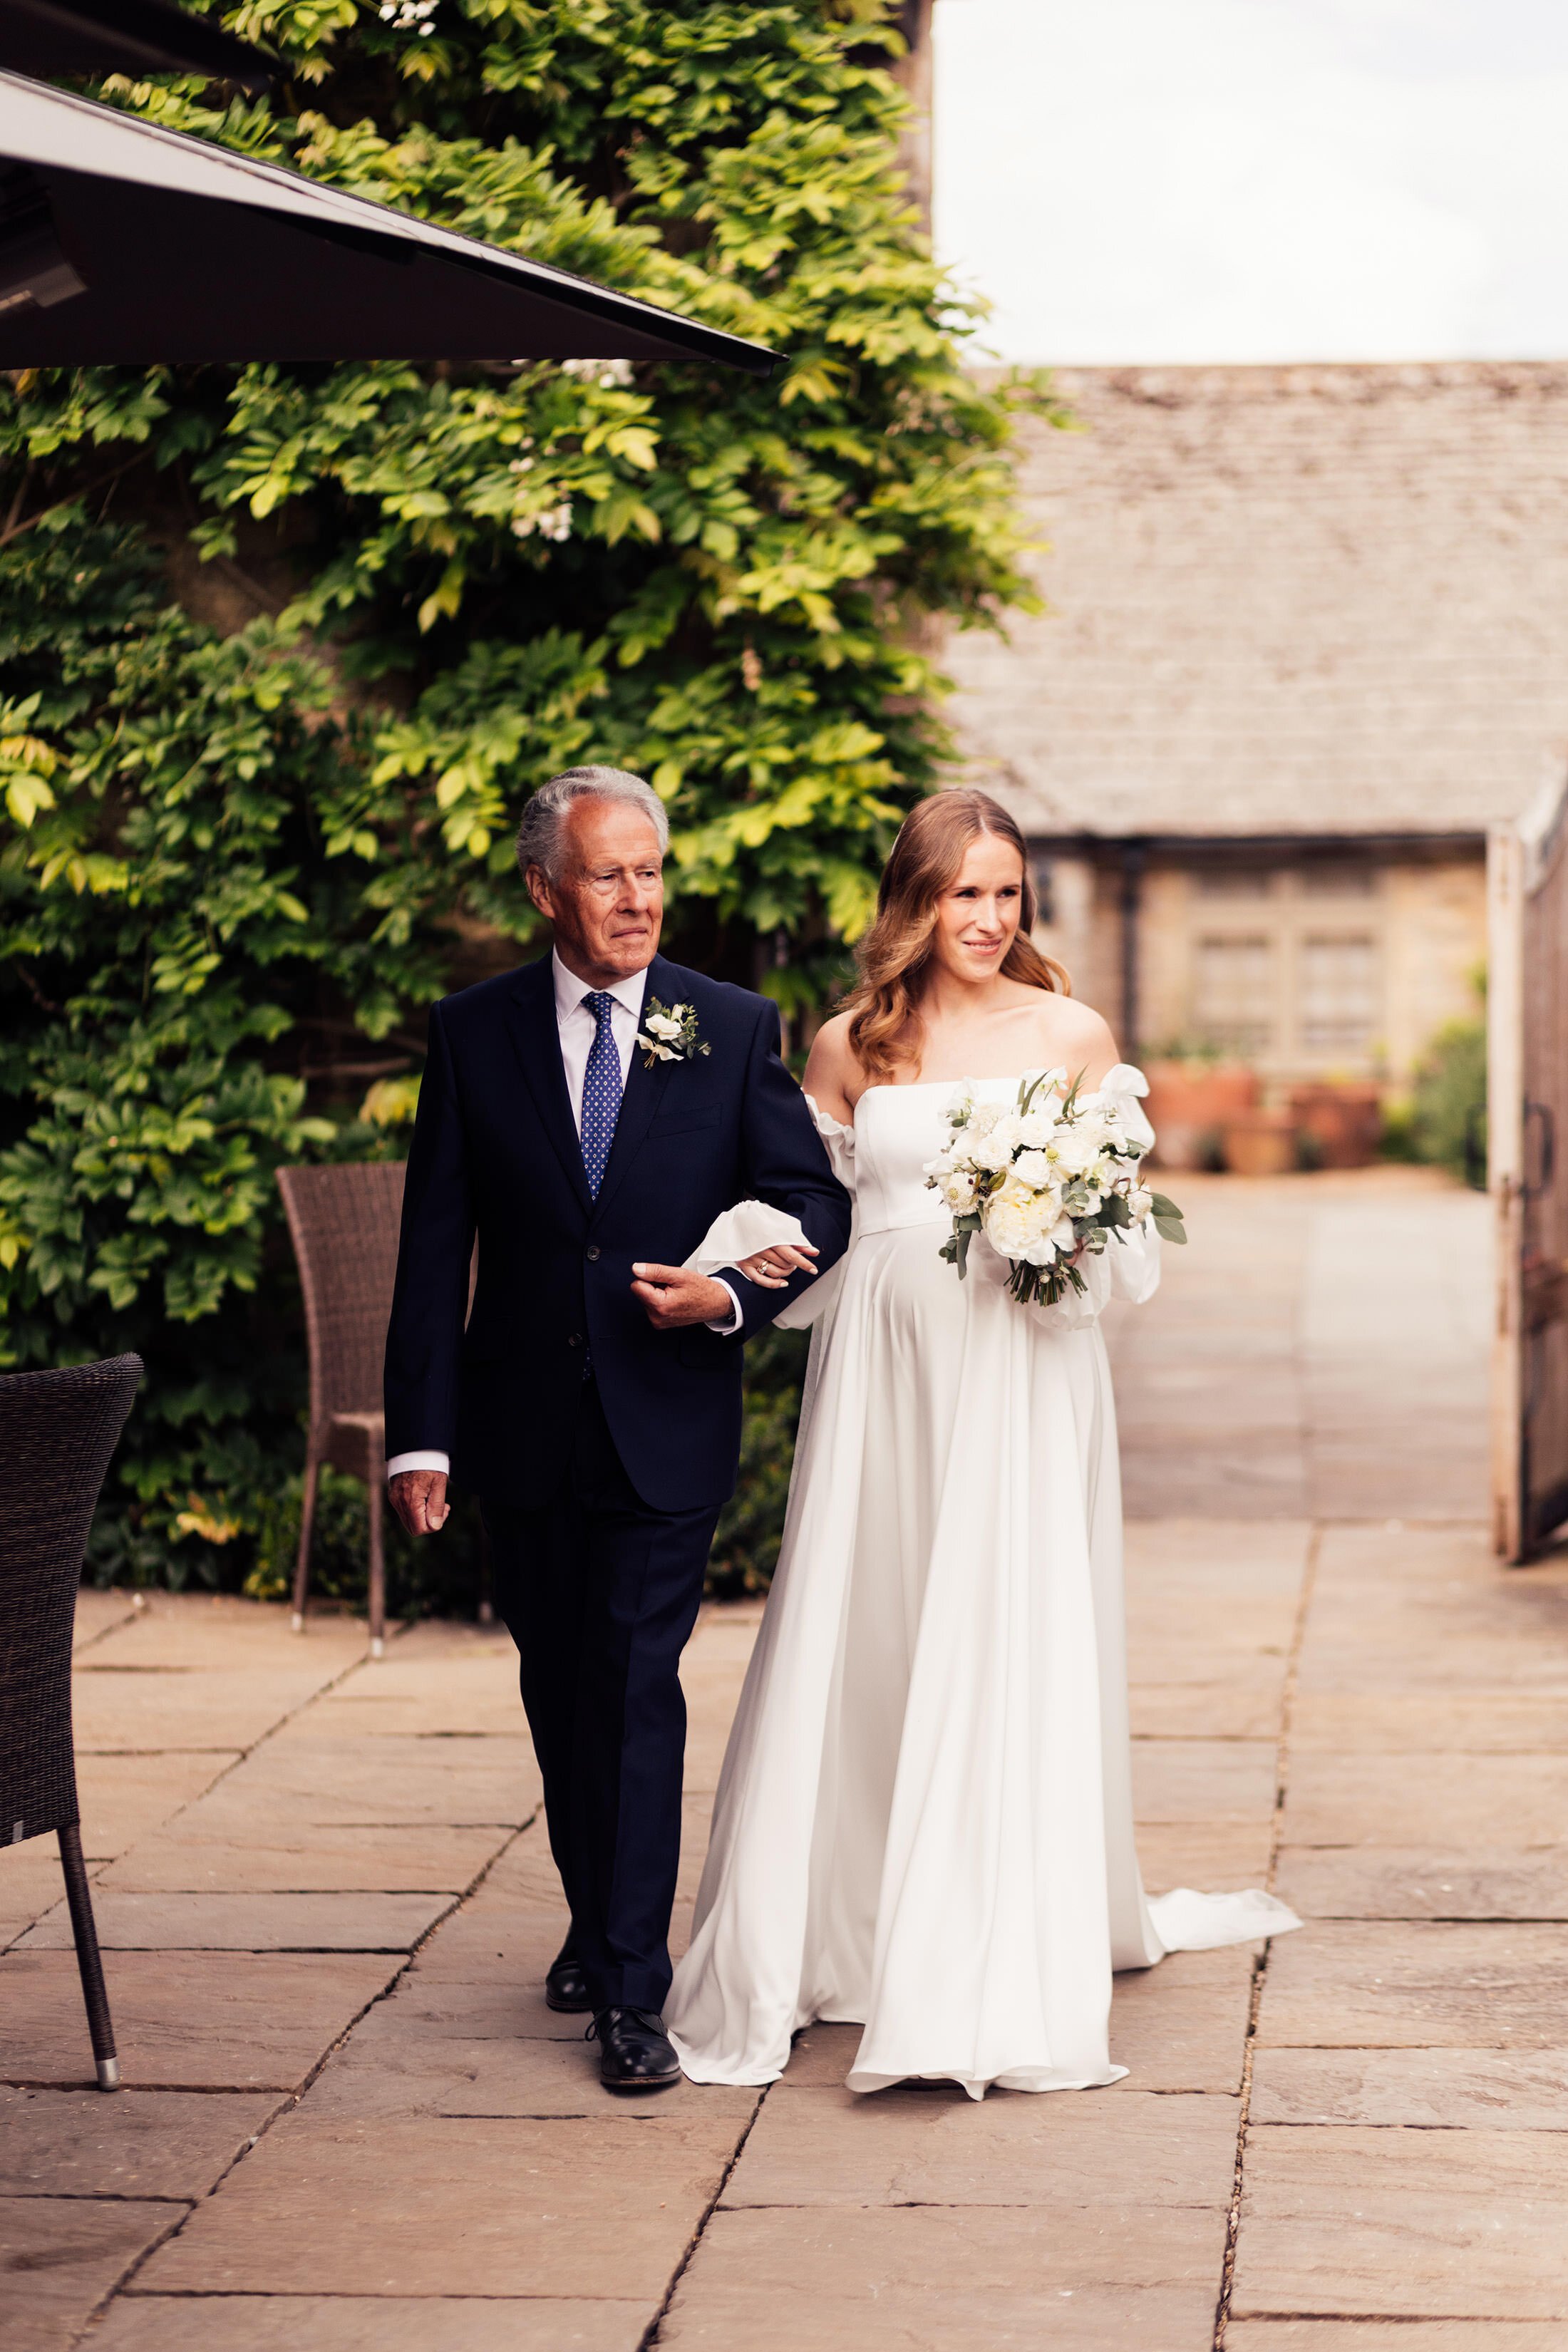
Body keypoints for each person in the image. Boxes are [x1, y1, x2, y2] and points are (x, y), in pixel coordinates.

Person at [665, 788, 1297, 2097]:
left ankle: (987, 1941)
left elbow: (1122, 1245)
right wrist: (722, 1274)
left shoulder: (1072, 1035)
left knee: (999, 1630)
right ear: (916, 902)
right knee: (873, 1627)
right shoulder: (853, 1047)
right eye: (963, 893)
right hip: (882, 1381)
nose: (988, 918)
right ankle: (842, 1922)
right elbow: (813, 1221)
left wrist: (1059, 1225)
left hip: (1019, 1370)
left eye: (1007, 893)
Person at [383, 765, 851, 2094]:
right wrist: (425, 1439)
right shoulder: (474, 1035)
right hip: (522, 1426)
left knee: (637, 1691)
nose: (639, 897)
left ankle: (635, 1998)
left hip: (666, 1420)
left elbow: (815, 1210)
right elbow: (435, 1250)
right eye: (609, 874)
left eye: (651, 870)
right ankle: (594, 1920)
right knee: (557, 1687)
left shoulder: (729, 1023)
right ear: (545, 890)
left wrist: (726, 1297)